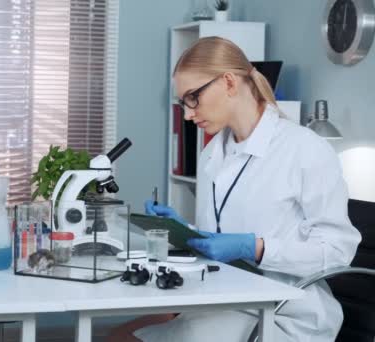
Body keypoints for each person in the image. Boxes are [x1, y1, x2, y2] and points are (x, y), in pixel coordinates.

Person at [108, 37, 361, 342]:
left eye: (193, 97)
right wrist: (182, 229)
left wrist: (255, 248)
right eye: (183, 103)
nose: (188, 114)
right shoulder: (213, 152)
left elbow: (337, 252)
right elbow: (221, 236)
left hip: (284, 311)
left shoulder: (305, 149)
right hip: (228, 299)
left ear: (228, 82)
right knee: (119, 334)